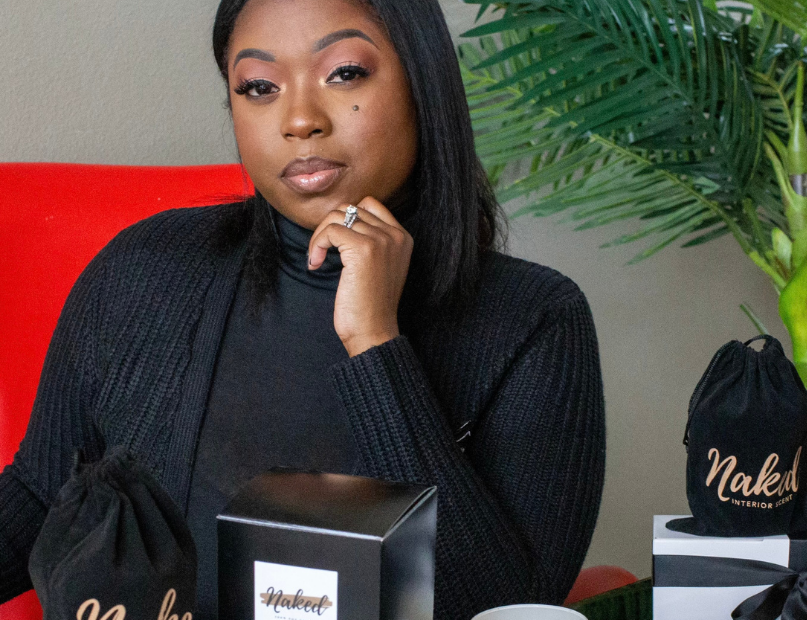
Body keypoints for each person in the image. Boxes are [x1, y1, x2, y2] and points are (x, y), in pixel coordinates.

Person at [0, 0, 606, 618]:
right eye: (259, 86)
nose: (298, 120)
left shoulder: (535, 321)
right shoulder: (145, 269)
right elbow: (39, 495)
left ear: (423, 82)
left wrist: (376, 345)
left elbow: (503, 608)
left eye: (344, 73)